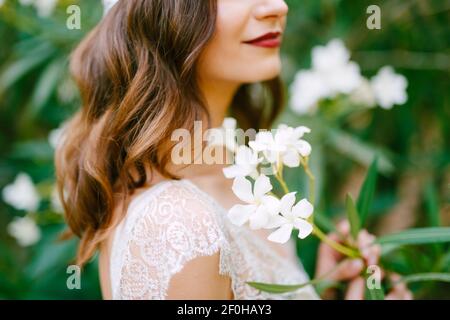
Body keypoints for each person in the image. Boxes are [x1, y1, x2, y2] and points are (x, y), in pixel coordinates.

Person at [55, 0, 412, 300]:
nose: (278, 6)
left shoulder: (232, 172)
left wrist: (319, 289)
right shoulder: (178, 225)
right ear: (163, 13)